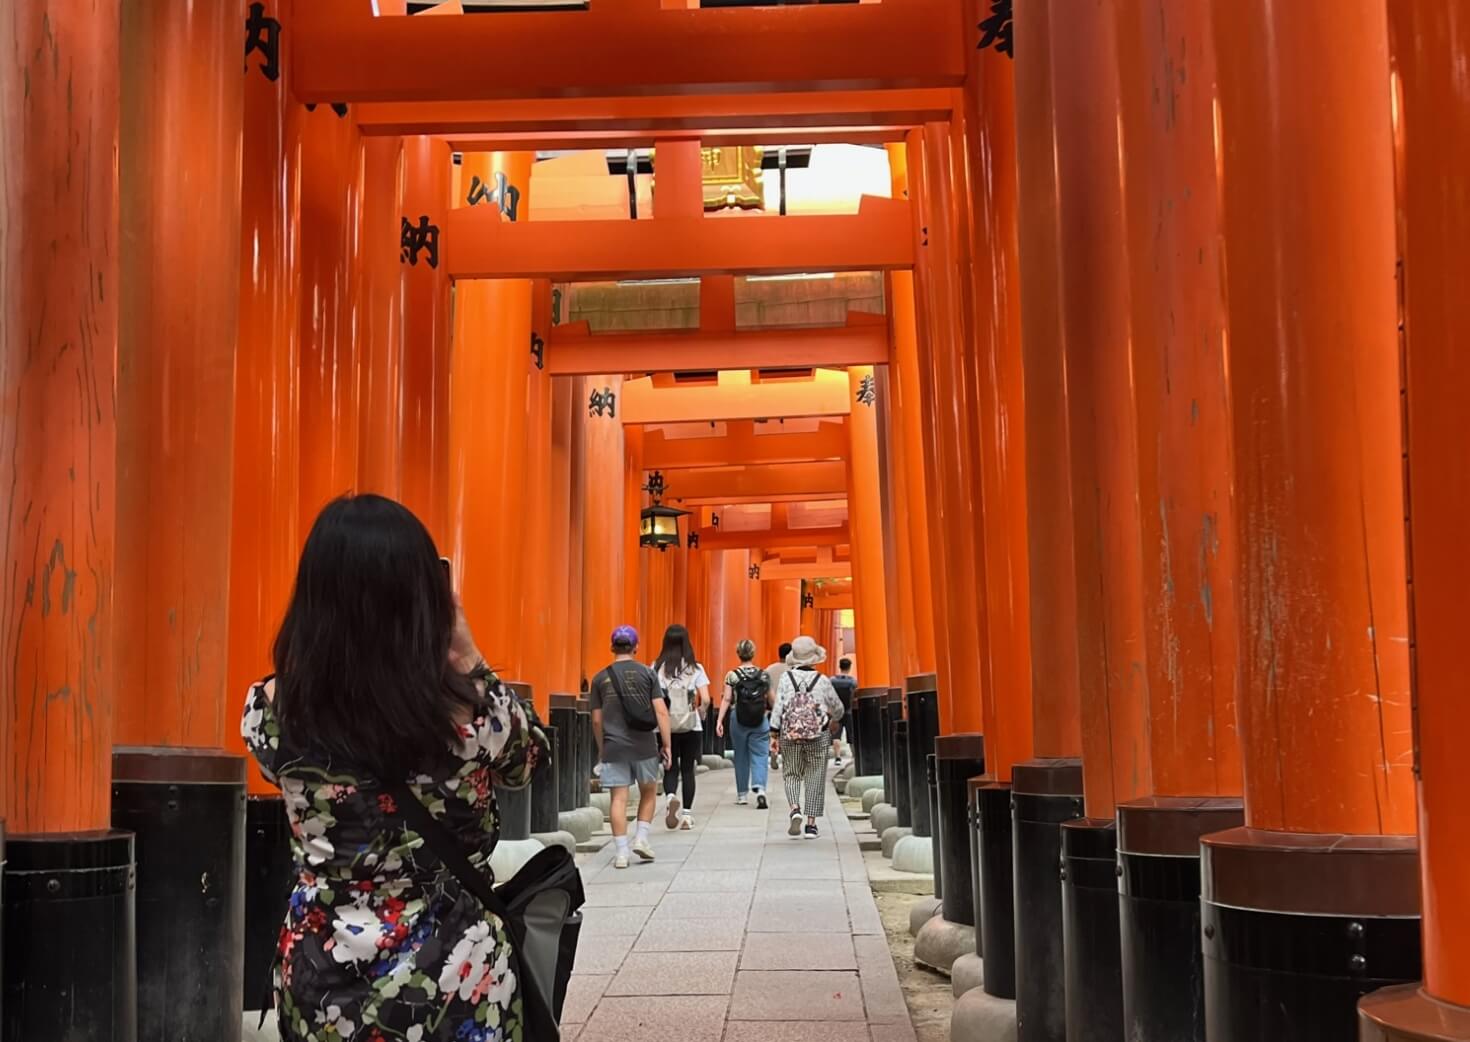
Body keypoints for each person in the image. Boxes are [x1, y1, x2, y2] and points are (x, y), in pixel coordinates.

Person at [241, 494, 550, 1041]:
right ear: (425, 597)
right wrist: (469, 656)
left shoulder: (271, 712)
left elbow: (279, 770)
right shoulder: (467, 714)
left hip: (321, 972)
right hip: (455, 972)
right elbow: (528, 764)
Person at [590, 625, 672, 869]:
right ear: (636, 647)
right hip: (644, 744)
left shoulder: (600, 678)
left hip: (614, 746)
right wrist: (666, 744)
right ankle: (642, 838)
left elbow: (596, 719)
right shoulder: (647, 674)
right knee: (648, 791)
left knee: (618, 798)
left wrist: (601, 747)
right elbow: (661, 711)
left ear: (612, 647)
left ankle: (622, 853)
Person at [771, 635, 846, 839]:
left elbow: (779, 706)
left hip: (790, 733)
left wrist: (774, 732)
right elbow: (837, 706)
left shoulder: (786, 678)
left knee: (792, 774)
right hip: (818, 733)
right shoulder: (822, 680)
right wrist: (836, 719)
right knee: (815, 776)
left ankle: (795, 808)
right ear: (814, 658)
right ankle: (811, 825)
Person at [651, 624, 711, 830]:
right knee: (687, 770)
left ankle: (669, 798)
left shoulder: (656, 667)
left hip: (665, 725)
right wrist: (700, 713)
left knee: (669, 765)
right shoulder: (696, 668)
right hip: (690, 725)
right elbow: (706, 698)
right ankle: (686, 815)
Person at [717, 639, 773, 808]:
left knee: (740, 755)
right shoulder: (763, 675)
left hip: (738, 716)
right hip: (759, 717)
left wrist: (719, 720)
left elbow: (727, 698)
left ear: (738, 654)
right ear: (753, 653)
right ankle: (760, 787)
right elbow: (772, 698)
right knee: (761, 753)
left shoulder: (732, 675)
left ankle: (742, 794)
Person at [764, 642, 793, 771]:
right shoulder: (794, 671)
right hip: (789, 707)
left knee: (774, 733)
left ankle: (774, 757)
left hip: (772, 706)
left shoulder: (769, 670)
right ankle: (787, 760)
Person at [828, 657, 858, 768]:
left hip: (836, 712)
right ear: (849, 667)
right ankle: (854, 758)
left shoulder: (832, 681)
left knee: (836, 735)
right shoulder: (852, 682)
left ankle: (838, 758)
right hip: (849, 711)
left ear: (839, 666)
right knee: (852, 736)